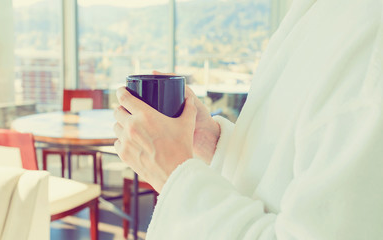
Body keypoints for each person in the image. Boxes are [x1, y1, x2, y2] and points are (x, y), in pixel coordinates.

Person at [113, 0, 383, 239]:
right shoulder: (321, 11)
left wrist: (174, 173)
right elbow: (291, 161)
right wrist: (214, 143)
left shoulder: (370, 34)